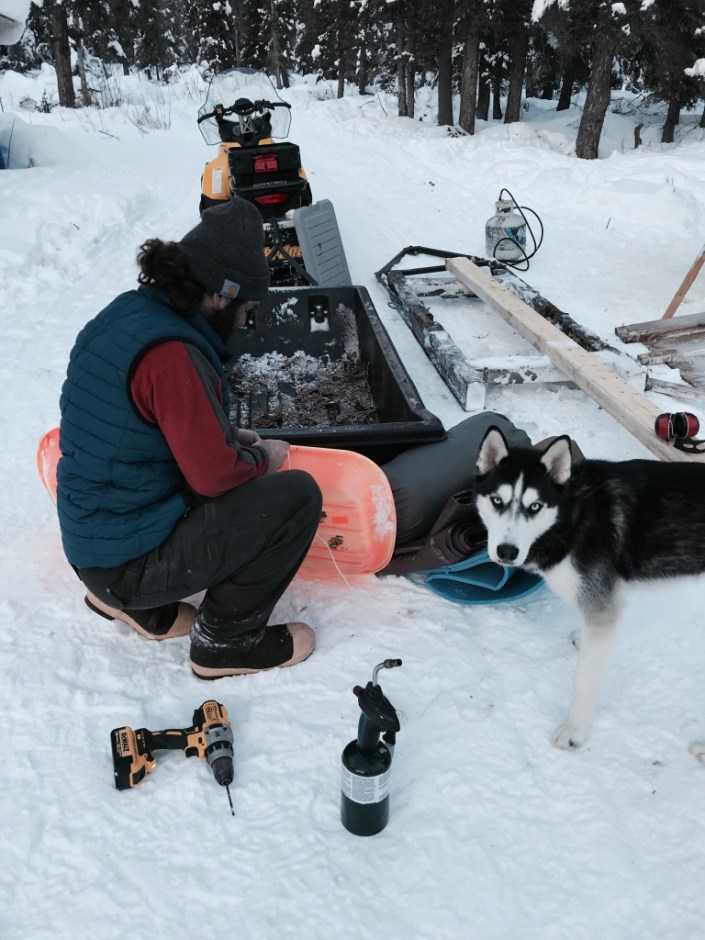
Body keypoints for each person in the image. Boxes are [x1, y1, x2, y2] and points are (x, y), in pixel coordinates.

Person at [57, 197, 323, 678]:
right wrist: (263, 456)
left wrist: (222, 432)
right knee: (297, 495)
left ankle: (133, 606)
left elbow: (141, 427)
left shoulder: (127, 315)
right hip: (127, 563)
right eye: (246, 307)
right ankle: (226, 642)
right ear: (219, 294)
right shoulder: (173, 355)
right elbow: (216, 477)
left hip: (90, 548)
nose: (245, 321)